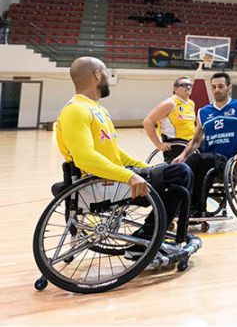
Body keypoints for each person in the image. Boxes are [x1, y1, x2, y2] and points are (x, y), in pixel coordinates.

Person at [55, 57, 192, 255]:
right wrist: (129, 176)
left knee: (176, 173)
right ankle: (146, 239)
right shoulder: (75, 110)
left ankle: (151, 234)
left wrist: (144, 168)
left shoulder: (97, 108)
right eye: (105, 73)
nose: (108, 78)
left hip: (112, 179)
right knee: (181, 172)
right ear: (96, 75)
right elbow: (85, 158)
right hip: (99, 185)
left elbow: (114, 151)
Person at [174, 72, 237, 217]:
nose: (217, 90)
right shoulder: (203, 112)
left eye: (220, 86)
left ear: (229, 87)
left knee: (202, 160)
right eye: (213, 87)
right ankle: (179, 207)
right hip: (207, 159)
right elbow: (195, 140)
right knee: (185, 166)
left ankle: (195, 208)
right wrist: (183, 155)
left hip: (229, 162)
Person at [142, 77, 196, 162]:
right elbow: (147, 122)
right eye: (184, 85)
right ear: (175, 88)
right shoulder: (169, 103)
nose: (188, 87)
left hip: (190, 145)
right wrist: (158, 144)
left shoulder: (191, 103)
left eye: (190, 85)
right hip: (175, 146)